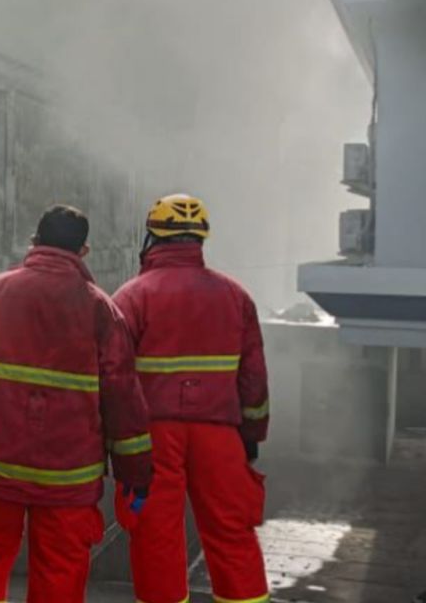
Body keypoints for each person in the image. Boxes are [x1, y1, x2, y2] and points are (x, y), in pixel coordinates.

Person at [0, 205, 154, 603]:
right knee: (60, 571)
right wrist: (135, 471)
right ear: (83, 251)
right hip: (68, 477)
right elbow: (122, 397)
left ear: (34, 241)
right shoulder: (101, 309)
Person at [112, 194, 270, 603]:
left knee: (156, 533)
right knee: (231, 530)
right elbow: (253, 379)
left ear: (152, 238)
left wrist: (114, 439)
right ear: (200, 239)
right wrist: (251, 433)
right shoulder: (236, 296)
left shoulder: (131, 297)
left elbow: (114, 376)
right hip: (220, 433)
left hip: (154, 435)